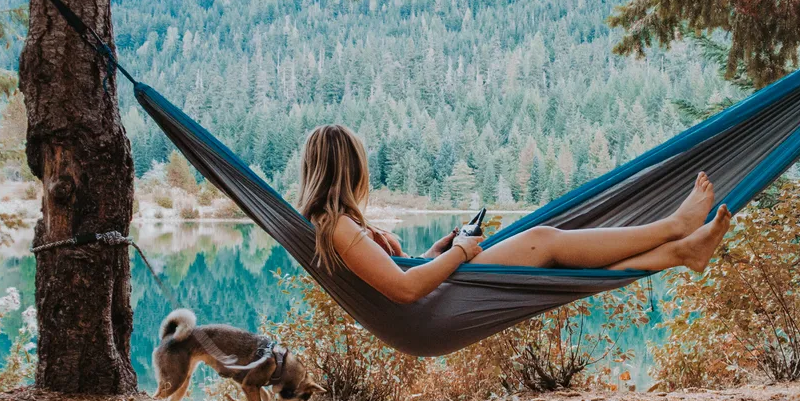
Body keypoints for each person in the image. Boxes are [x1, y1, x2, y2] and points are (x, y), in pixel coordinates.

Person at [298, 124, 733, 305]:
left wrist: (436, 251)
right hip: (428, 310)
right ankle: (674, 226)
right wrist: (463, 253)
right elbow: (405, 291)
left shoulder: (339, 225)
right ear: (352, 169)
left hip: (437, 297)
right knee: (543, 240)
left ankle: (681, 252)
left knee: (565, 263)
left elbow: (399, 274)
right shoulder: (336, 224)